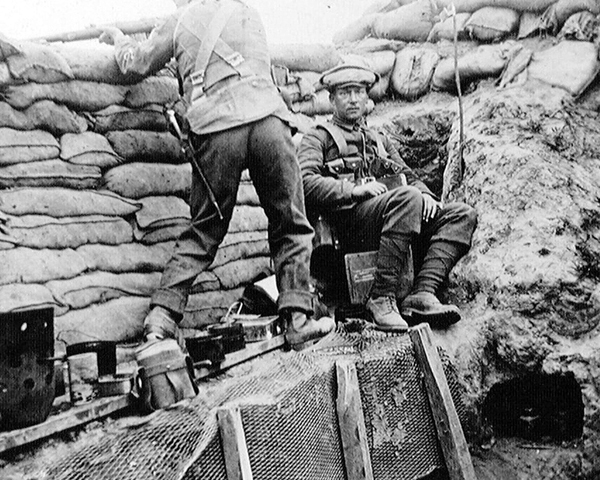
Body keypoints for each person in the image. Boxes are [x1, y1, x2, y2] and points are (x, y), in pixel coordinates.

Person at [100, 0, 335, 351]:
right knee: (291, 223)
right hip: (270, 122)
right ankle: (298, 320)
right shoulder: (246, 10)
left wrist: (120, 39)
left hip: (218, 127)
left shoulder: (180, 19)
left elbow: (136, 64)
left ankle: (161, 320)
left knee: (205, 230)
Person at [297, 64, 477, 331]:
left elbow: (407, 175)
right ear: (331, 99)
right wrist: (352, 191)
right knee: (407, 198)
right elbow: (303, 181)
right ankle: (381, 297)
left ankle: (423, 293)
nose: (354, 99)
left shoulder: (377, 139)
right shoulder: (318, 137)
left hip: (391, 219)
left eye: (359, 92)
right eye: (345, 93)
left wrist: (425, 195)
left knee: (461, 214)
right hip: (346, 227)